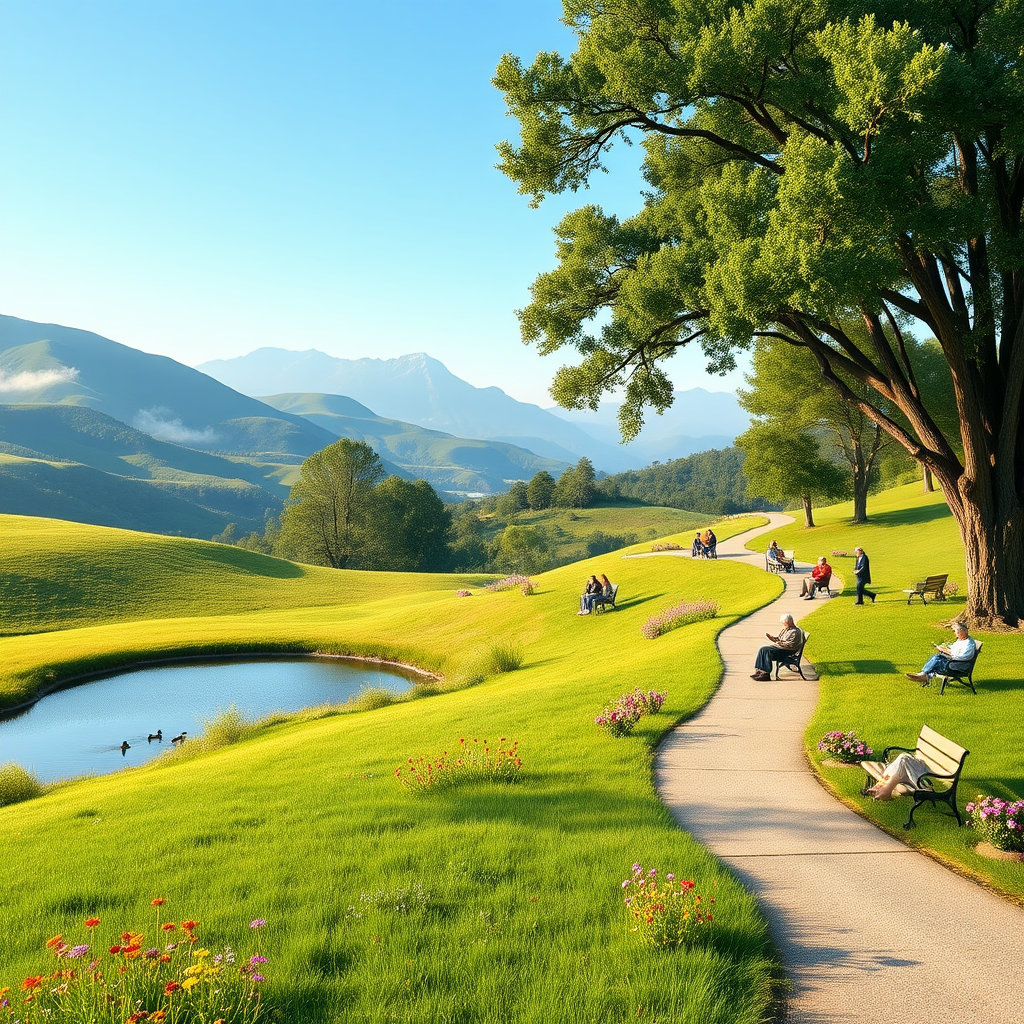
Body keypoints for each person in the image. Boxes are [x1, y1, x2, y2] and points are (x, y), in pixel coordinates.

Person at [905, 622, 977, 684]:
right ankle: (924, 675)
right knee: (937, 657)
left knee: (936, 659)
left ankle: (923, 675)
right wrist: (945, 648)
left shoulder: (969, 644)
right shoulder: (961, 640)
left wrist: (948, 654)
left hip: (957, 666)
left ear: (961, 632)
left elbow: (963, 657)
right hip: (953, 662)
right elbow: (954, 649)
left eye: (955, 631)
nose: (955, 633)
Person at [751, 614, 802, 680]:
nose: (784, 625)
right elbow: (781, 639)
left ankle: (766, 674)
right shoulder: (787, 629)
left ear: (791, 621)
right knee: (762, 649)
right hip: (782, 648)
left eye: (785, 624)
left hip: (787, 650)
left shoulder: (795, 631)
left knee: (767, 650)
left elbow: (790, 645)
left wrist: (777, 642)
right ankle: (759, 671)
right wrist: (773, 639)